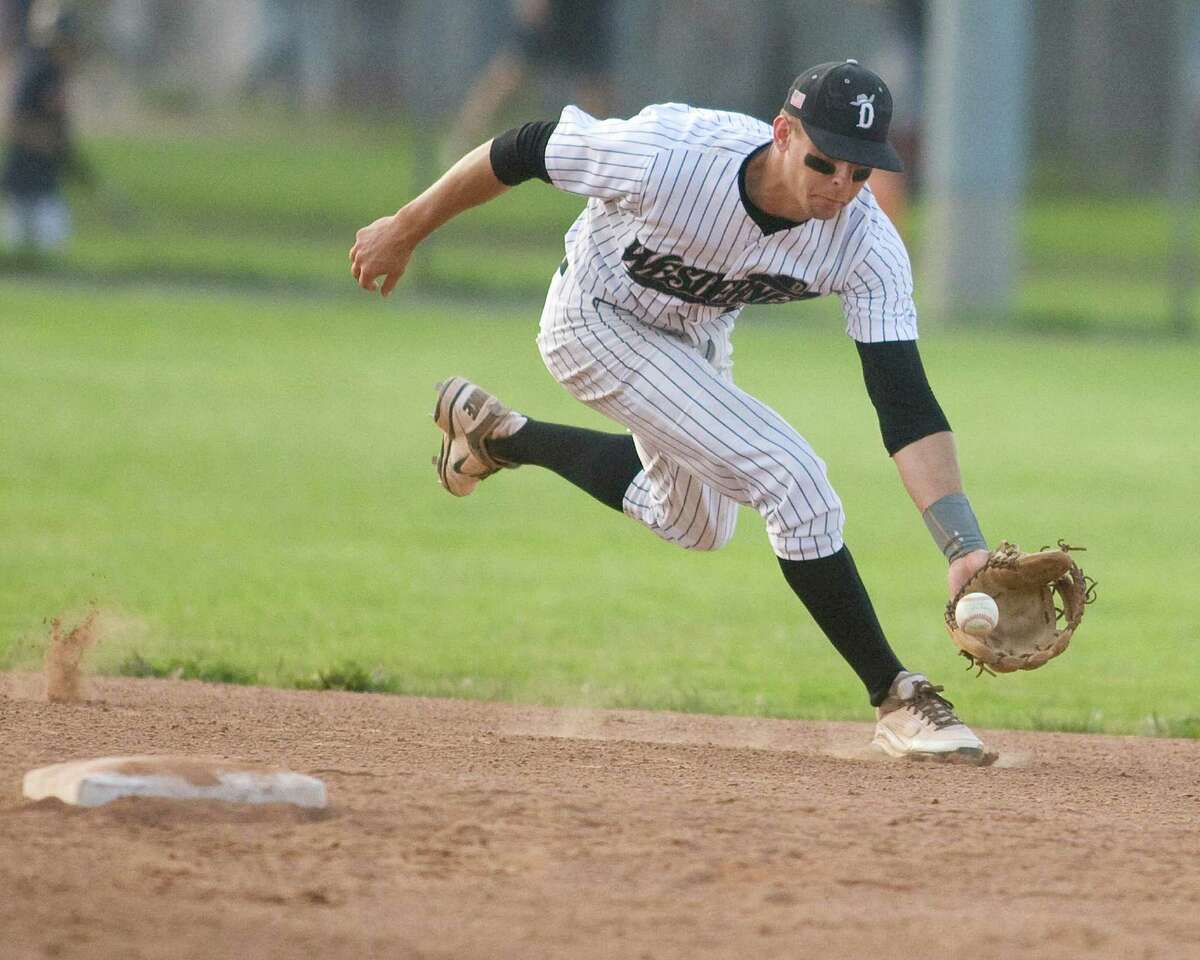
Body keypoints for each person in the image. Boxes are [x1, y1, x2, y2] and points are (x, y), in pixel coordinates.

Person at [350, 60, 992, 762]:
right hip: (593, 320)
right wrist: (406, 227)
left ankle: (504, 436)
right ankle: (896, 696)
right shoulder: (673, 158)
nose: (841, 185)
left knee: (696, 524)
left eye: (862, 171)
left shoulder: (866, 245)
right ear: (783, 133)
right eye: (825, 161)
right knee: (793, 479)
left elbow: (902, 398)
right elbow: (524, 147)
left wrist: (961, 544)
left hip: (693, 336)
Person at [443, 0, 613, 164]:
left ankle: (607, 155)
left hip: (588, 10)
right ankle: (464, 142)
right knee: (511, 72)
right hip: (556, 9)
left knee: (593, 84)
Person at [2, 0, 87, 254]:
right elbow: (14, 122)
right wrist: (47, 140)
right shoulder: (39, 71)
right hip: (25, 171)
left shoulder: (57, 73)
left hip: (46, 175)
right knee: (21, 243)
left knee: (48, 242)